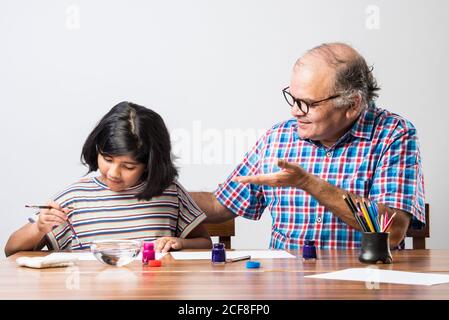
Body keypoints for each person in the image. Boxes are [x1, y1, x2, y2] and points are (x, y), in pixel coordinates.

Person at [191, 42, 425, 250]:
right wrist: (162, 191)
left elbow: (392, 231)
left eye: (308, 104)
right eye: (293, 99)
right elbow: (219, 204)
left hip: (363, 283)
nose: (295, 111)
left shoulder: (394, 134)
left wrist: (307, 182)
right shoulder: (278, 137)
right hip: (287, 285)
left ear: (352, 105)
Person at [5, 102, 211, 257]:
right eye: (107, 159)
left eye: (128, 166)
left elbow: (204, 242)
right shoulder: (74, 198)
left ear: (149, 164)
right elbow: (11, 250)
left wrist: (179, 243)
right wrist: (39, 227)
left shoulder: (169, 193)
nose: (113, 172)